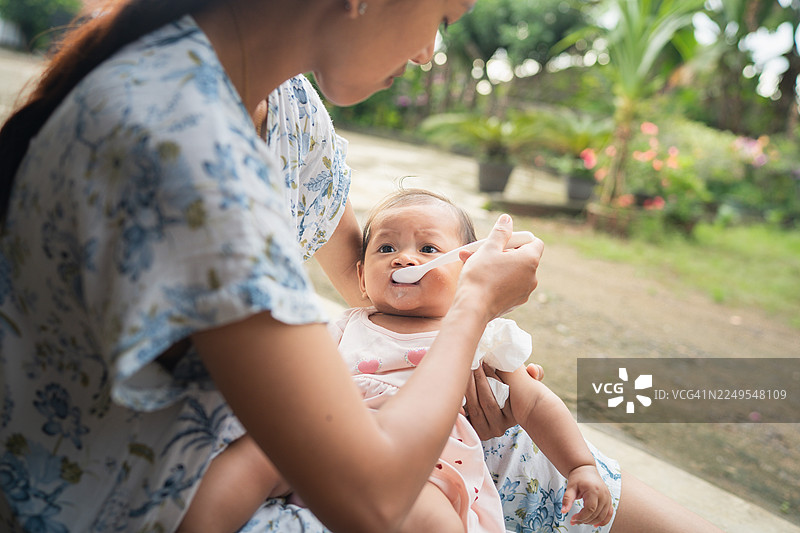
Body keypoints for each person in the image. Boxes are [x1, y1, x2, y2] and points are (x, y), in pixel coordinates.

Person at [0, 1, 544, 532]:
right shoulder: (193, 156)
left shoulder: (262, 98)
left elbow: (373, 294)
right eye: (441, 19)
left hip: (231, 450)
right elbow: (372, 500)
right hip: (142, 499)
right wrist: (474, 305)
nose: (429, 52)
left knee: (518, 437)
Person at [180, 189, 615, 533]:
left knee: (434, 519)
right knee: (255, 455)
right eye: (386, 248)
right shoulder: (346, 324)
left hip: (418, 467)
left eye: (429, 250)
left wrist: (580, 465)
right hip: (325, 437)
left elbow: (534, 403)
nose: (404, 258)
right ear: (361, 278)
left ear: (470, 274)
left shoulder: (484, 336)